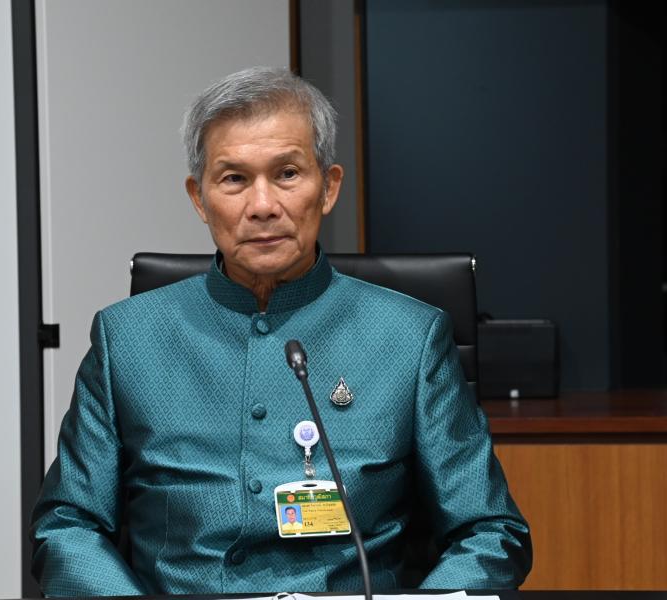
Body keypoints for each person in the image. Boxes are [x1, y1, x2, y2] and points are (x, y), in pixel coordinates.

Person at [30, 66, 531, 596]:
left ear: (328, 187)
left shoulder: (409, 338)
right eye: (234, 179)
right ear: (199, 198)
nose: (263, 206)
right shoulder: (127, 339)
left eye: (288, 174)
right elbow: (67, 526)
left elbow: (490, 531)